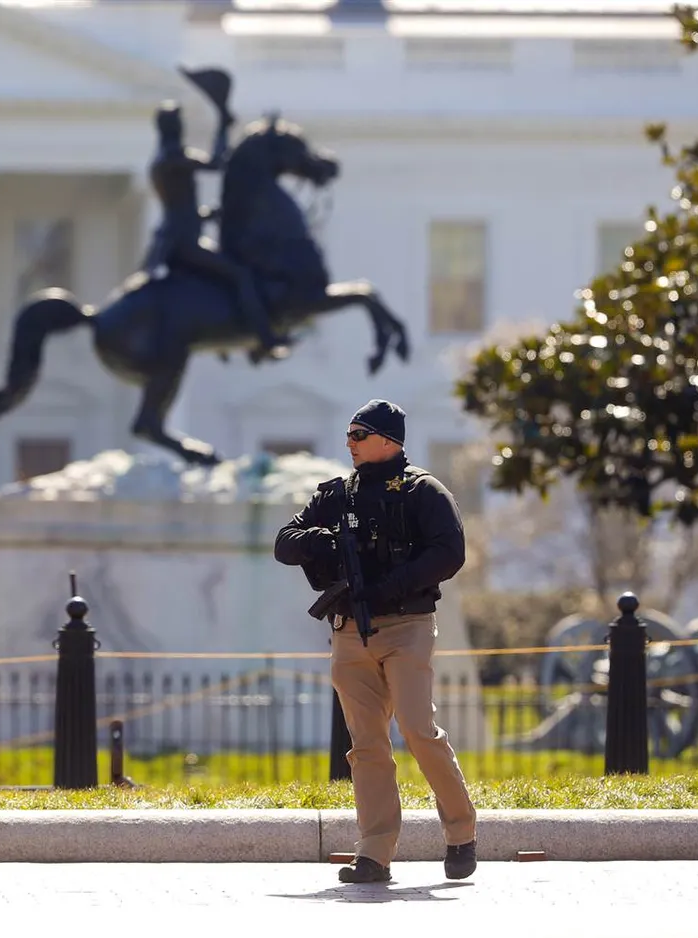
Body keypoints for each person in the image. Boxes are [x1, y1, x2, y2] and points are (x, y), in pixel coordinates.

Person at [273, 399, 478, 884]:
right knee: (364, 745)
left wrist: (390, 586)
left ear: (389, 439)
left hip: (405, 627)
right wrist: (318, 541)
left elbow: (449, 552)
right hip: (349, 632)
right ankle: (374, 852)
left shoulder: (422, 491)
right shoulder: (337, 494)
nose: (350, 443)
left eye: (359, 434)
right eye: (348, 435)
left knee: (416, 729)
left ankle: (461, 831)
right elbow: (285, 540)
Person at [142, 101, 288, 362]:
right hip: (185, 243)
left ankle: (230, 338)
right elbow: (217, 162)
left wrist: (207, 214)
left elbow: (179, 208)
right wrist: (223, 123)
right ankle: (263, 340)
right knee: (242, 275)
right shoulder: (174, 157)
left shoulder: (161, 160)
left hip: (175, 238)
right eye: (178, 123)